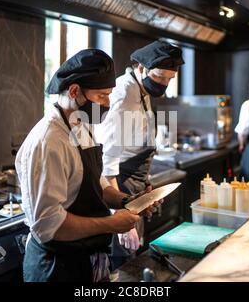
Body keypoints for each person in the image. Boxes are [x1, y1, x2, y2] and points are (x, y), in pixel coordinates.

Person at [15, 49, 160, 282]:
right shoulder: (48, 142)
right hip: (57, 268)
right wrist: (111, 224)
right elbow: (49, 225)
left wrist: (128, 201)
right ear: (74, 91)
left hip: (86, 260)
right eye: (102, 95)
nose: (108, 103)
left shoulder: (80, 126)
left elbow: (97, 184)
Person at [96, 40, 184, 269]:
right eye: (159, 77)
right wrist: (119, 215)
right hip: (118, 186)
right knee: (123, 259)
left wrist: (144, 182)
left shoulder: (141, 89)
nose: (164, 83)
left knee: (133, 253)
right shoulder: (123, 95)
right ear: (141, 68)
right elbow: (107, 161)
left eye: (169, 79)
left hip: (135, 182)